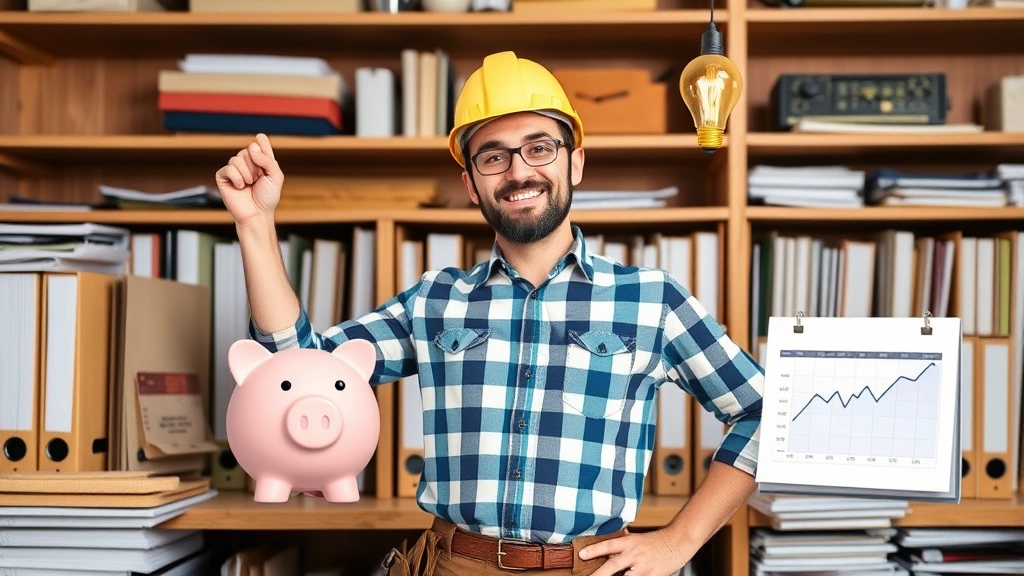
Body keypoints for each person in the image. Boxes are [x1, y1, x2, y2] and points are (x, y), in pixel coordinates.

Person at [215, 50, 765, 576]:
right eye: (494, 156)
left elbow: (762, 412)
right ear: (471, 185)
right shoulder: (434, 301)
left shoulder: (652, 299)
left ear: (575, 162)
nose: (519, 171)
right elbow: (293, 373)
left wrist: (679, 540)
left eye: (539, 148)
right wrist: (255, 224)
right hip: (452, 563)